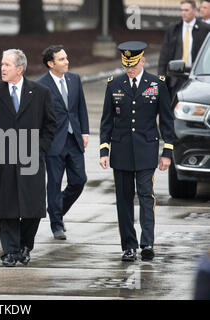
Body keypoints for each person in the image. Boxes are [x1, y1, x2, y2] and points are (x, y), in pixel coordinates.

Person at [0, 49, 56, 267]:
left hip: (31, 159)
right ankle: (10, 251)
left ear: (19, 69)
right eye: (1, 64)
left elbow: (50, 125)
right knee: (8, 208)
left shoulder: (40, 92)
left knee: (33, 209)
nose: (2, 68)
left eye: (7, 65)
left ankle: (25, 246)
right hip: (4, 159)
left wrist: (40, 149)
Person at [99, 41, 175, 262]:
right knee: (123, 200)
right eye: (126, 65)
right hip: (121, 151)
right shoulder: (114, 84)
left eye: (133, 64)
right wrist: (104, 150)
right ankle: (129, 246)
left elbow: (167, 122)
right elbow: (106, 121)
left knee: (145, 196)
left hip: (146, 150)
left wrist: (167, 152)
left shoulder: (157, 83)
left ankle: (147, 242)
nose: (129, 69)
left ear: (142, 60)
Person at [36, 45, 89, 241]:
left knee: (79, 180)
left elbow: (80, 107)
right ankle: (56, 224)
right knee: (55, 183)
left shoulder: (74, 79)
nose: (67, 62)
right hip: (54, 142)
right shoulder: (41, 85)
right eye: (62, 59)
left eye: (66, 58)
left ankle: (56, 210)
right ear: (51, 64)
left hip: (74, 138)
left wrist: (84, 131)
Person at [158, 0, 210, 98]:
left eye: (186, 10)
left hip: (196, 76)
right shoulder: (173, 29)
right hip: (176, 76)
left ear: (194, 11)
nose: (183, 13)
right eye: (181, 10)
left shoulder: (205, 29)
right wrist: (161, 78)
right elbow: (164, 56)